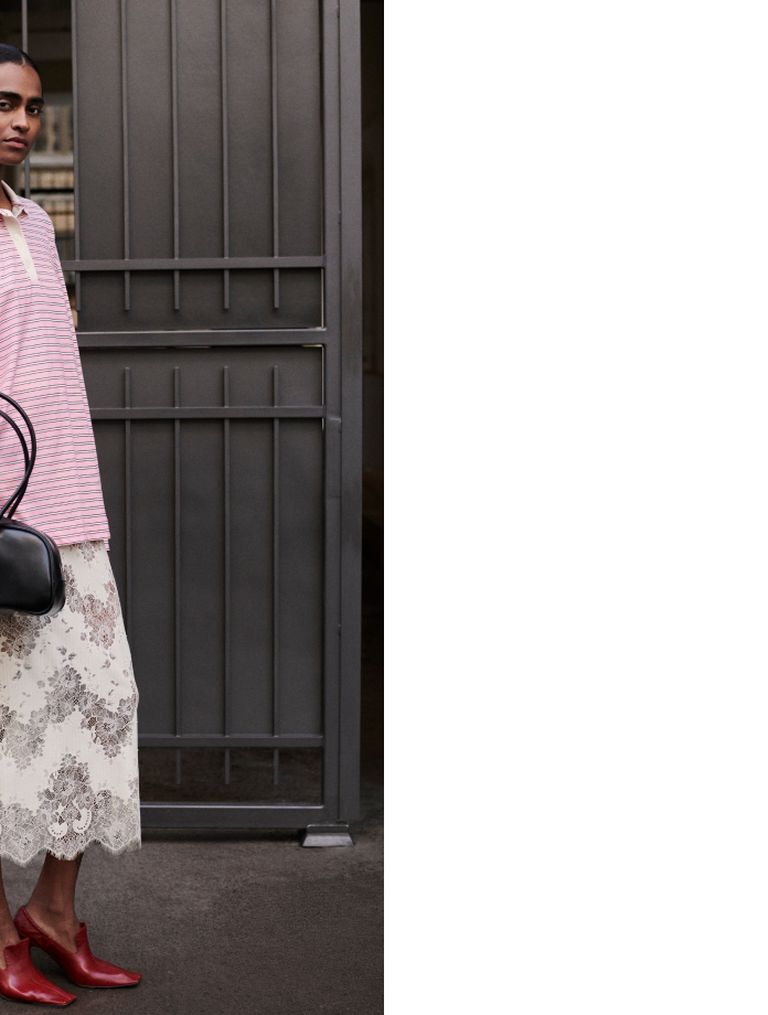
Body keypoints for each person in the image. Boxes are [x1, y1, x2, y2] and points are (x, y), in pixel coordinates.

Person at [0, 44, 142, 1006]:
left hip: (68, 506)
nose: (22, 121)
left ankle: (52, 911)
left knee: (100, 702)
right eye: (4, 103)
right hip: (0, 518)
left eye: (32, 107)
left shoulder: (38, 225)